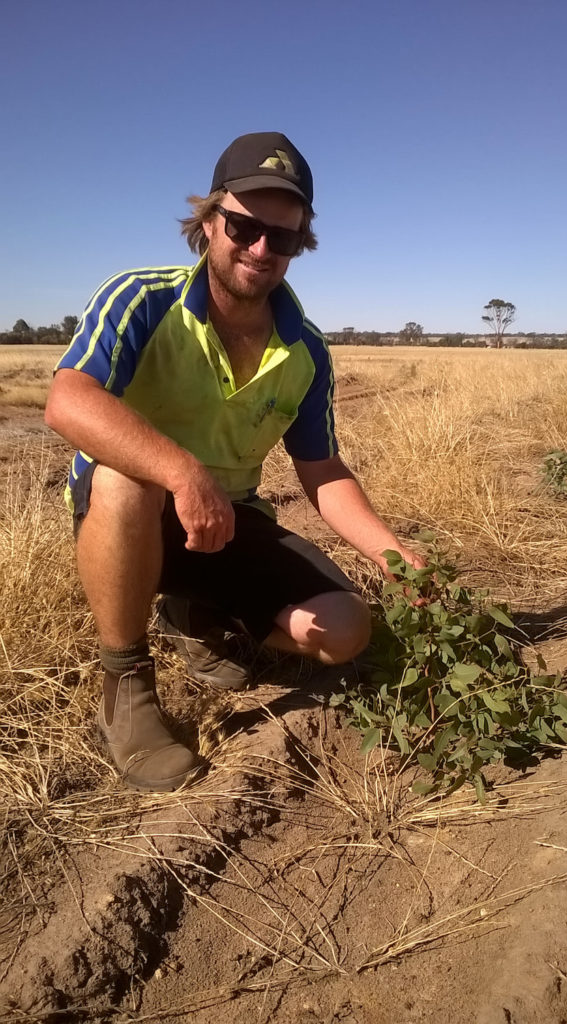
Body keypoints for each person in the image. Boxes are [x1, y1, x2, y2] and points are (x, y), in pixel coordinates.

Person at [45, 131, 424, 793]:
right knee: (126, 477)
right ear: (210, 220)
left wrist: (391, 555)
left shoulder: (304, 349)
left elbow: (321, 469)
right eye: (244, 227)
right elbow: (68, 401)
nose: (259, 249)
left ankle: (199, 619)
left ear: (298, 244)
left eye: (281, 238)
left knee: (344, 629)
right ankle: (124, 690)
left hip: (227, 523)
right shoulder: (142, 297)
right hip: (126, 513)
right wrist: (182, 472)